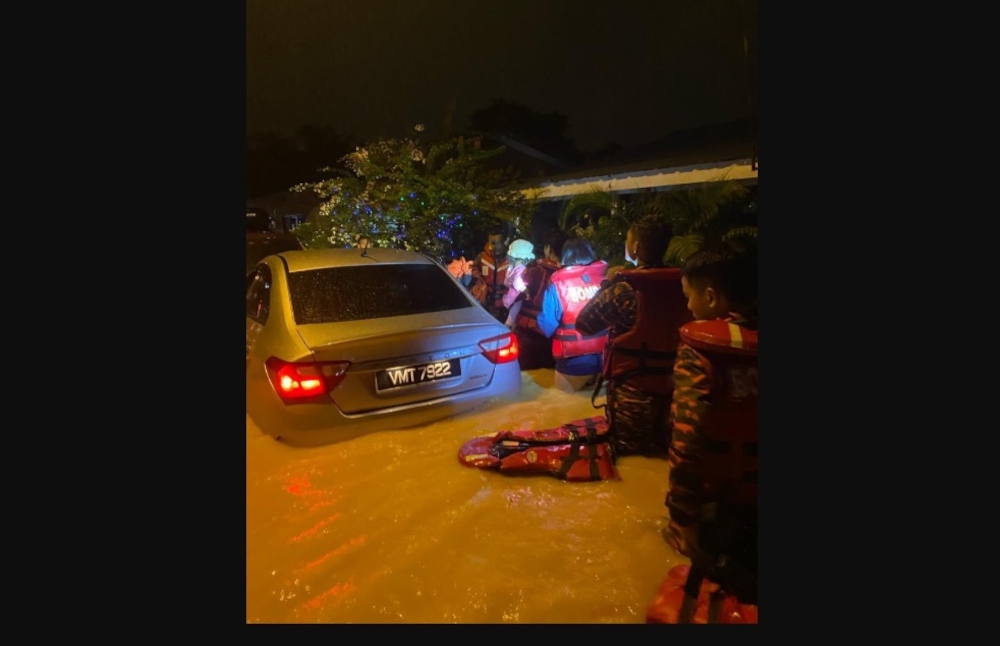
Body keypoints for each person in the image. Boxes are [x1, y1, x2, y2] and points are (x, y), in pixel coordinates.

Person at [661, 245, 757, 599]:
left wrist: (683, 518)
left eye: (689, 296)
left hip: (717, 506)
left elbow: (687, 441)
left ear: (712, 297)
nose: (687, 306)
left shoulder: (700, 350)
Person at [576, 215, 690, 458]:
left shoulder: (625, 290)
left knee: (630, 457)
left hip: (633, 398)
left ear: (636, 247)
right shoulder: (687, 287)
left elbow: (584, 324)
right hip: (676, 397)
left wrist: (607, 285)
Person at [536, 237, 609, 392]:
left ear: (565, 257)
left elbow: (547, 326)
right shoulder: (605, 280)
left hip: (573, 363)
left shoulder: (558, 285)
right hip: (606, 359)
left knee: (562, 404)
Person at [512, 229, 567, 370]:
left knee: (527, 376)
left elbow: (516, 296)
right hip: (555, 335)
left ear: (548, 248)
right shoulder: (567, 275)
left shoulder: (535, 271)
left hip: (529, 334)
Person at [471, 227, 511, 322]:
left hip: (505, 306)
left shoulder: (512, 259)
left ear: (505, 242)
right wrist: (480, 280)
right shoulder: (483, 257)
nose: (496, 246)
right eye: (493, 243)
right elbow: (474, 268)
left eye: (499, 243)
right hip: (486, 304)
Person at [502, 239, 535, 327]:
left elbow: (506, 282)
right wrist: (526, 290)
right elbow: (517, 282)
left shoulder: (511, 267)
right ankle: (506, 327)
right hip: (517, 296)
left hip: (510, 293)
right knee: (512, 315)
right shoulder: (521, 268)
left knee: (512, 313)